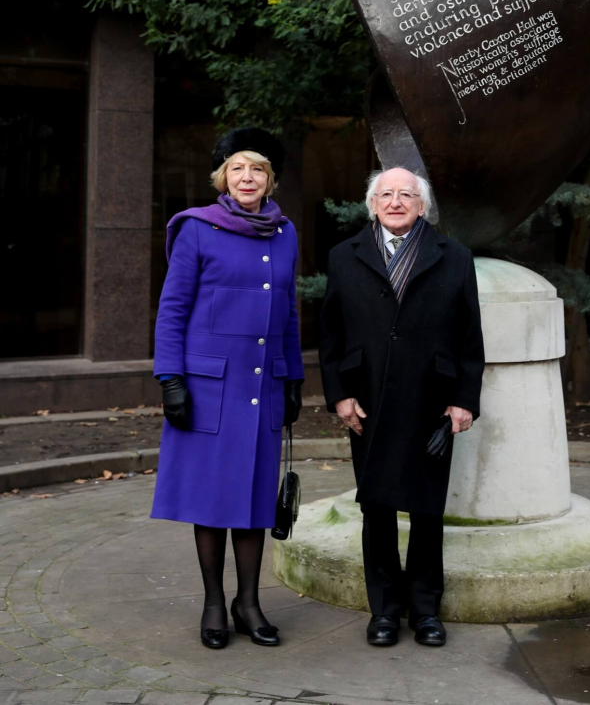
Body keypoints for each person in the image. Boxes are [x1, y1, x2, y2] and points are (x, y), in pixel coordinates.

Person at [151, 128, 304, 650]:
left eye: (257, 169)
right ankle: (214, 603)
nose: (247, 178)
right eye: (238, 168)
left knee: (256, 499)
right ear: (223, 176)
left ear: (269, 180)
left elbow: (286, 312)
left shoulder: (284, 233)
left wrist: (293, 377)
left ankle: (249, 603)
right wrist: (170, 378)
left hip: (261, 387)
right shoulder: (196, 229)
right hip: (208, 390)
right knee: (212, 501)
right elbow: (172, 310)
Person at [319, 167, 484, 648]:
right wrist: (339, 393)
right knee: (377, 507)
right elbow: (330, 334)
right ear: (372, 204)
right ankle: (385, 611)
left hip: (432, 399)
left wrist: (463, 400)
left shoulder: (453, 257)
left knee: (428, 510)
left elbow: (469, 336)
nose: (395, 201)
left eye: (406, 195)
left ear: (422, 206)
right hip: (366, 399)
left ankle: (427, 610)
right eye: (386, 194)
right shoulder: (344, 256)